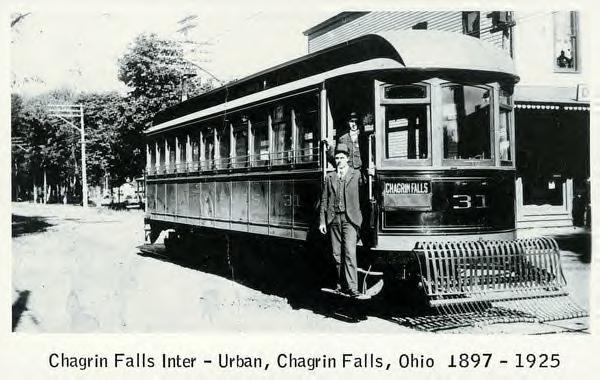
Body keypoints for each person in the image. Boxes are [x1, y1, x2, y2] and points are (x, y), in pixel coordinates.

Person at [319, 143, 368, 299]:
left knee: (350, 253)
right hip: (334, 219)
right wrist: (322, 221)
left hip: (350, 220)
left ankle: (353, 288)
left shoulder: (357, 175)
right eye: (337, 158)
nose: (339, 160)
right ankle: (340, 286)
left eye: (342, 158)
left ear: (347, 159)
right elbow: (324, 200)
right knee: (336, 255)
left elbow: (365, 194)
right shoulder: (330, 176)